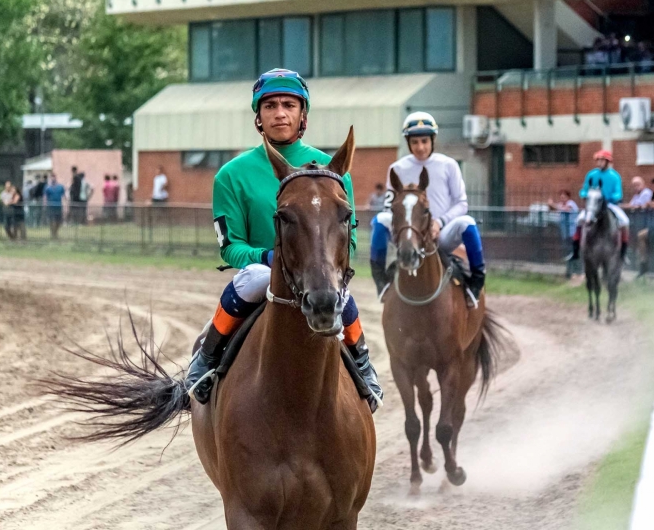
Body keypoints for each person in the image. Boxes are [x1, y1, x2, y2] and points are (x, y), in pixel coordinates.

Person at [186, 68, 382, 412]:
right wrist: (269, 258)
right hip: (265, 275)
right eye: (270, 105)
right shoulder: (231, 176)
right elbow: (230, 247)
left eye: (289, 105)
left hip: (318, 272)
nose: (280, 113)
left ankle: (361, 362)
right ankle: (205, 360)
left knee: (340, 291)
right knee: (255, 278)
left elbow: (347, 244)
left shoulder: (332, 171)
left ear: (302, 114)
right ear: (258, 117)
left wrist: (319, 262)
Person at [369, 111, 487, 304]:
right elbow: (389, 207)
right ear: (408, 143)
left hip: (441, 232)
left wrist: (439, 223)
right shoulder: (396, 169)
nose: (420, 147)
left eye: (424, 141)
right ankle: (381, 280)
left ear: (432, 140)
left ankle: (476, 282)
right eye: (415, 142)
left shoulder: (449, 165)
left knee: (467, 222)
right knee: (380, 220)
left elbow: (461, 203)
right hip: (409, 233)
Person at [568, 150, 630, 261]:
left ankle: (623, 253)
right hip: (593, 204)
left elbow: (618, 193)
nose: (599, 163)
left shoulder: (615, 176)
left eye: (602, 160)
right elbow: (584, 189)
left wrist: (608, 197)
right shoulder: (591, 174)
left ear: (607, 162)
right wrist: (585, 194)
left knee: (625, 221)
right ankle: (575, 250)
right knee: (578, 220)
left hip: (610, 204)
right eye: (598, 160)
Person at [43, 174, 65, 239]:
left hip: (58, 206)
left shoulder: (60, 187)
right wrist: (45, 205)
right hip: (50, 206)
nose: (53, 179)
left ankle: (55, 231)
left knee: (58, 220)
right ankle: (53, 233)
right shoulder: (47, 187)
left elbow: (64, 196)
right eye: (51, 178)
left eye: (54, 177)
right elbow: (45, 196)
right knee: (51, 220)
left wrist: (66, 204)